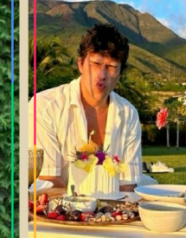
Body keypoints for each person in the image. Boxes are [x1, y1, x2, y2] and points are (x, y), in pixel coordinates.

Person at [29, 23, 155, 191]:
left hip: (112, 207)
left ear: (120, 73)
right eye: (95, 63)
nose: (102, 75)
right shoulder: (45, 106)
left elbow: (128, 184)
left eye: (111, 67)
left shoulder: (128, 113)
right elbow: (49, 181)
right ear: (81, 64)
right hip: (59, 208)